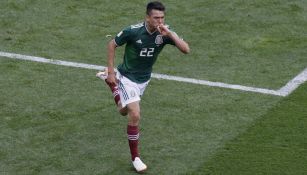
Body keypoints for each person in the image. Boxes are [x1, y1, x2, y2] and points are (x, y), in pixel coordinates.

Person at [96, 1, 189, 173]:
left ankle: (113, 87)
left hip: (143, 80)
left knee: (123, 111)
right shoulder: (133, 31)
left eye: (162, 17)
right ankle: (136, 158)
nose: (159, 21)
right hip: (127, 77)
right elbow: (112, 44)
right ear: (147, 17)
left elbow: (186, 49)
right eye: (156, 18)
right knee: (135, 114)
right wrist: (111, 72)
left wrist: (170, 34)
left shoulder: (165, 32)